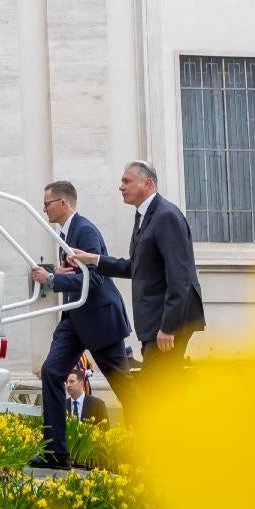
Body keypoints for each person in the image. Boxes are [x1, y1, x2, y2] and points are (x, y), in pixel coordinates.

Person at [71, 161, 205, 391]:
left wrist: (169, 327)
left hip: (170, 323)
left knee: (153, 393)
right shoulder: (143, 216)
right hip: (154, 323)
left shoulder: (166, 216)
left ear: (147, 183)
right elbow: (137, 267)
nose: (120, 187)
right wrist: (94, 260)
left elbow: (180, 277)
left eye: (126, 181)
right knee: (162, 392)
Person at [28, 180, 132, 466]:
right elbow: (81, 276)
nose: (44, 209)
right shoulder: (66, 232)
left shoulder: (84, 229)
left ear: (64, 203)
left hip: (99, 319)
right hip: (76, 318)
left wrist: (52, 279)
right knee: (51, 371)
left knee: (124, 388)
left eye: (47, 203)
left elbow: (95, 279)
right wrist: (64, 274)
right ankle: (56, 453)